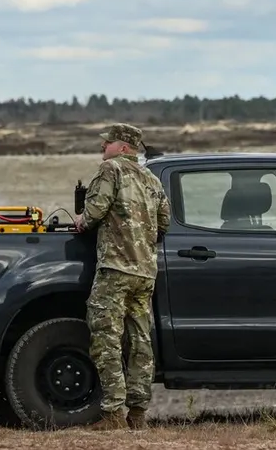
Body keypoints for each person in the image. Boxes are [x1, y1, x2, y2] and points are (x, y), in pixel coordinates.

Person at [74, 122, 171, 431]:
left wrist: (81, 220)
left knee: (106, 337)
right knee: (140, 341)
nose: (103, 146)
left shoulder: (111, 170)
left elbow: (94, 213)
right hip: (145, 273)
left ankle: (113, 413)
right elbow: (164, 223)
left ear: (124, 147)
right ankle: (138, 413)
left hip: (116, 270)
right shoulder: (151, 178)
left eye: (108, 142)